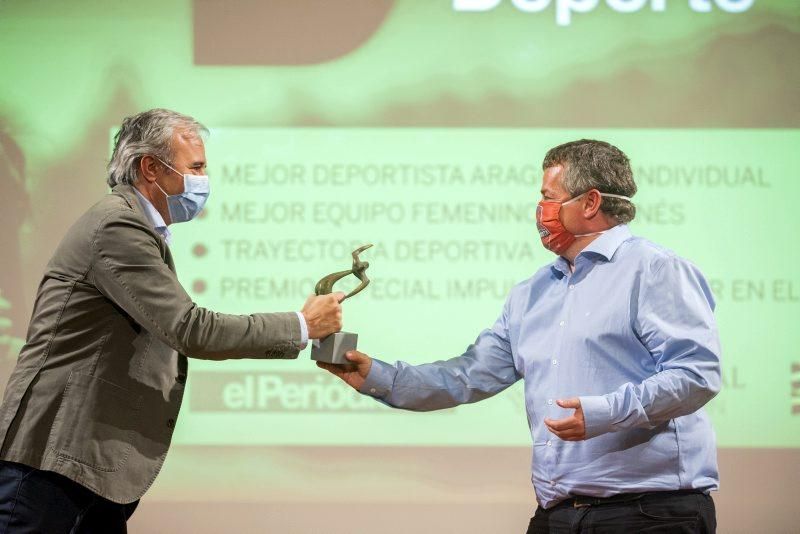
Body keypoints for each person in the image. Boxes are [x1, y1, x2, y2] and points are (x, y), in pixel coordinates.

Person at [319, 140, 721, 533]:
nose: (540, 211)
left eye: (549, 197)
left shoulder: (655, 270)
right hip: (558, 514)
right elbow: (469, 375)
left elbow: (696, 375)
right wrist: (377, 376)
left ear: (590, 203)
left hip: (649, 513)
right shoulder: (532, 292)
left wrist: (605, 412)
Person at [0, 109, 344, 533]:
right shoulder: (117, 226)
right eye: (196, 167)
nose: (204, 180)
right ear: (150, 167)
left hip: (87, 463)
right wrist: (302, 324)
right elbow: (191, 329)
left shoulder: (138, 228)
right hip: (55, 459)